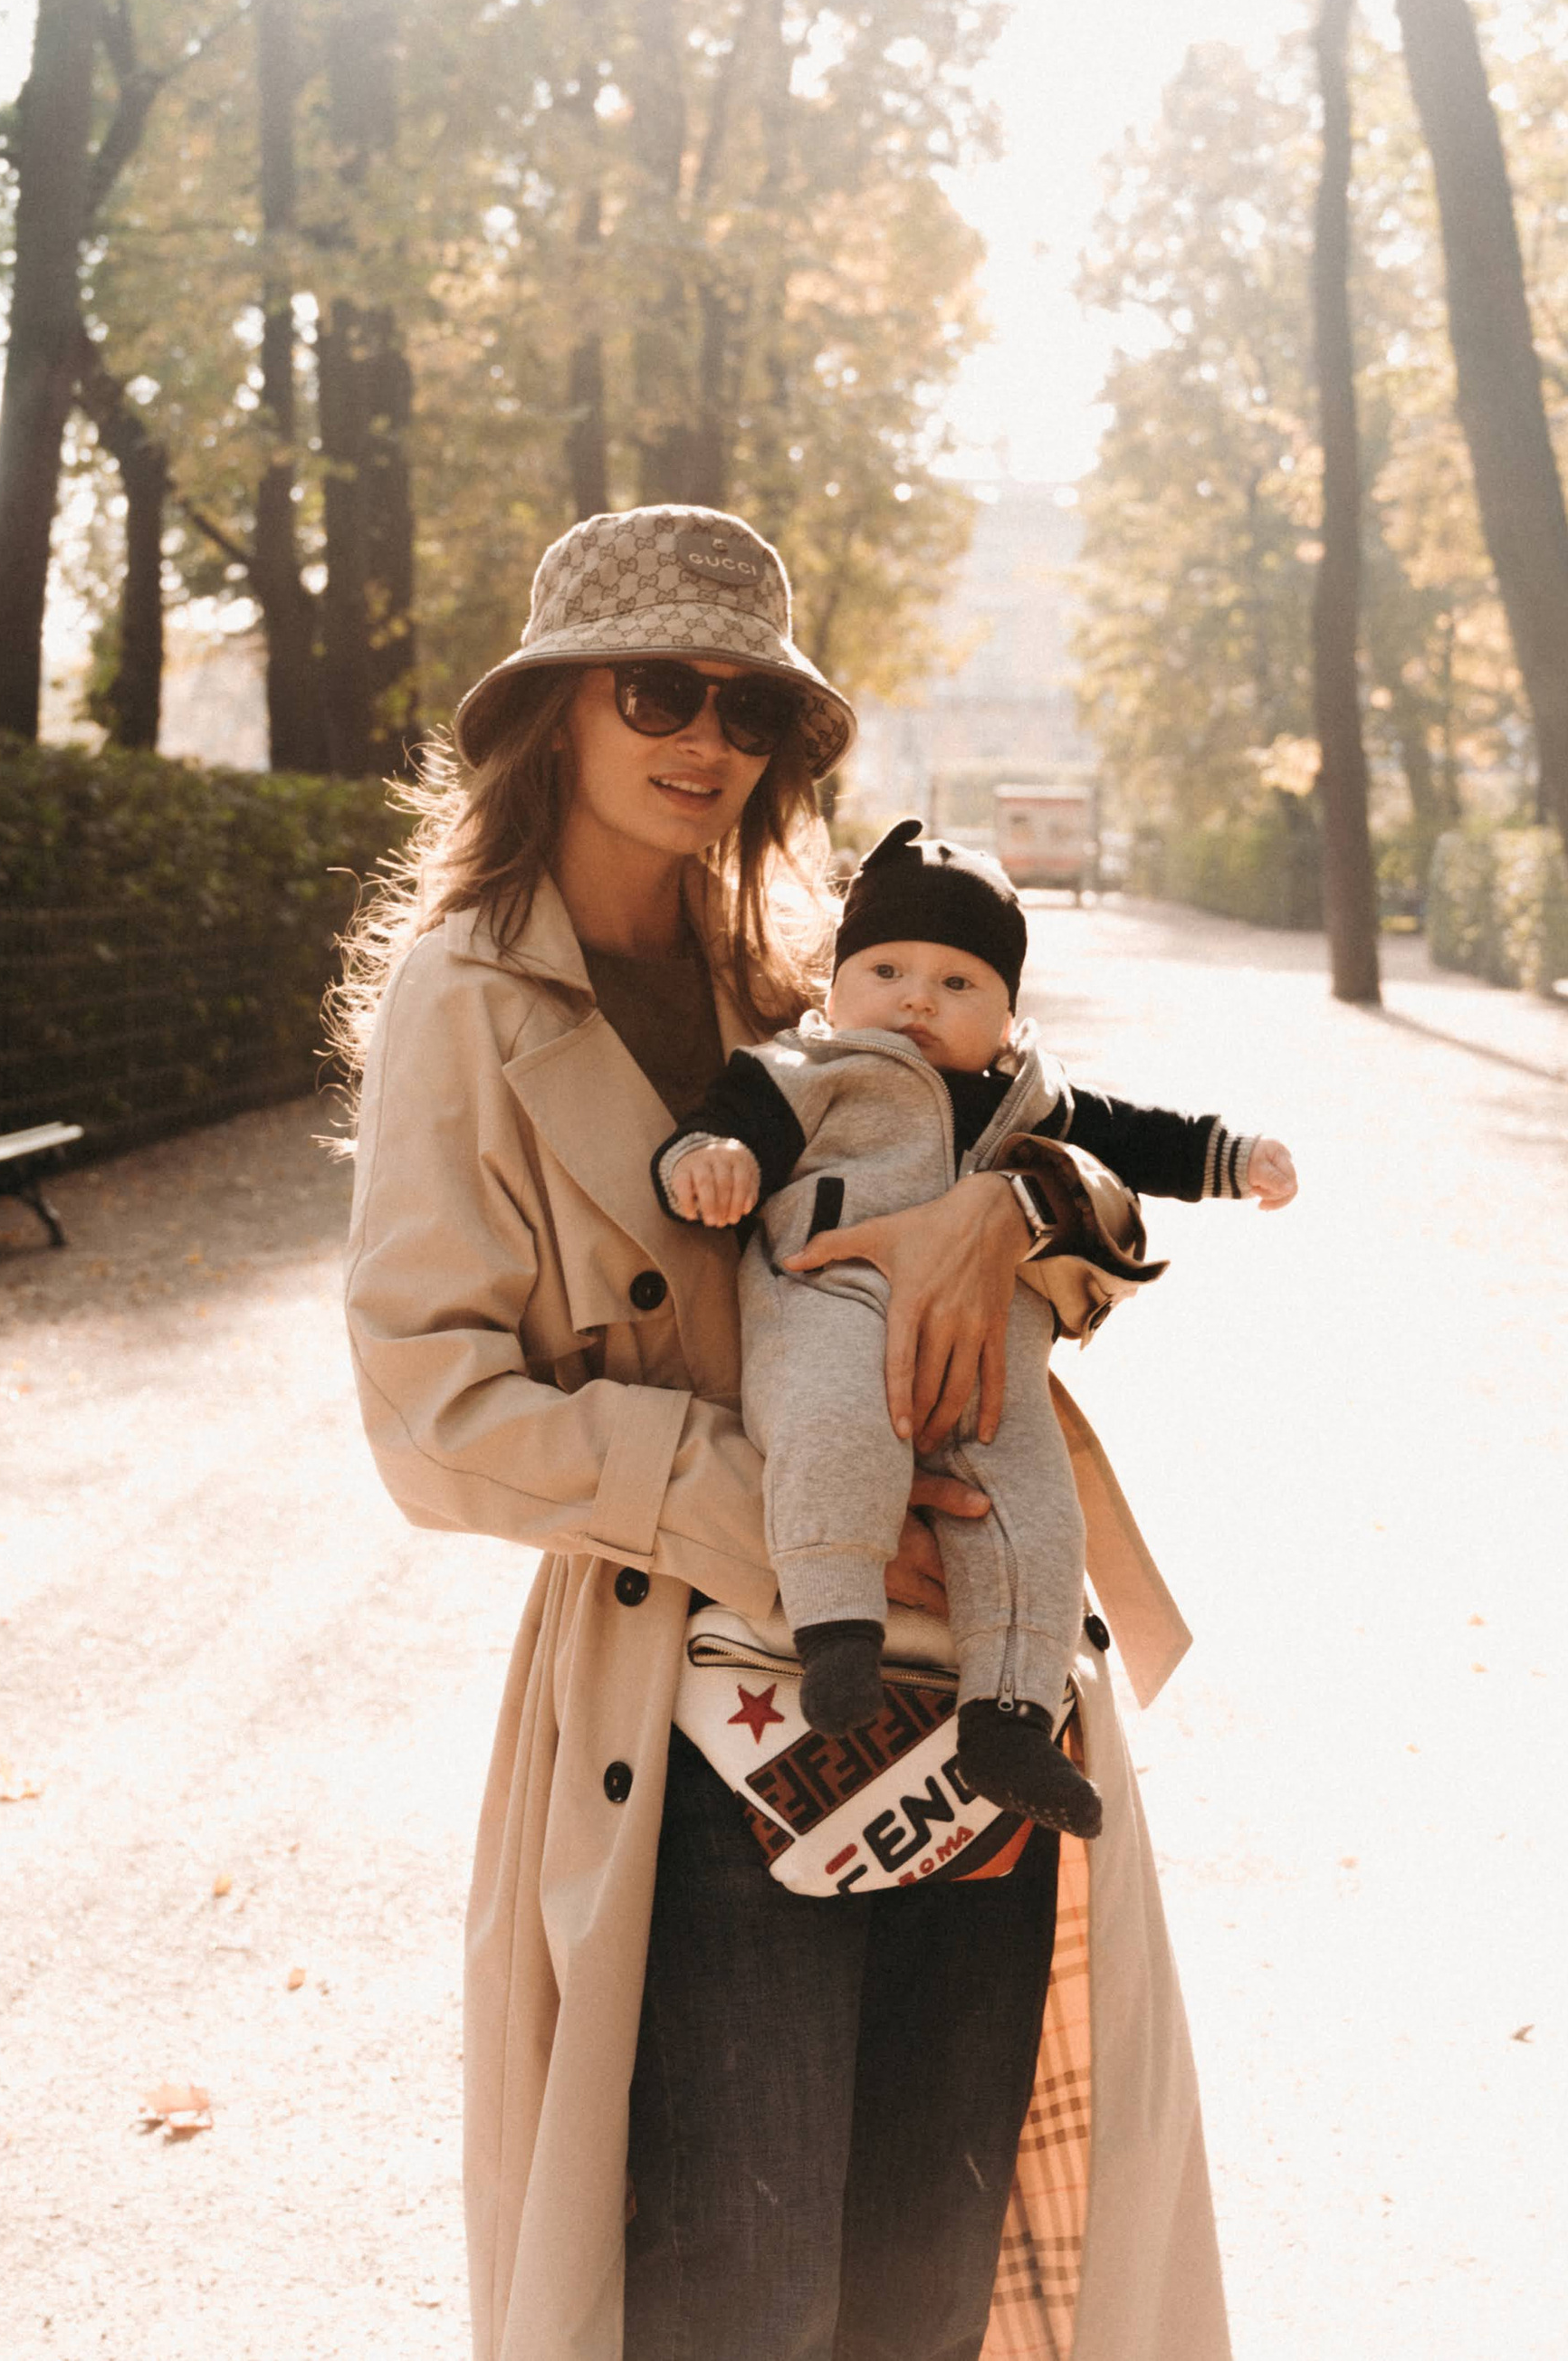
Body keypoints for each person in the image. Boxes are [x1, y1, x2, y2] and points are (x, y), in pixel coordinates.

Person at [338, 504, 1233, 2361]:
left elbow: (1083, 1203)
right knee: (734, 2291)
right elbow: (428, 1409)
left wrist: (1015, 1215)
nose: (701, 738)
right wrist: (765, 1510)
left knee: (932, 2259)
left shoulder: (818, 978)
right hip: (691, 1715)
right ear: (556, 712)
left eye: (746, 708)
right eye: (655, 687)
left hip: (975, 1692)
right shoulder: (464, 999)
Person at [655, 814, 1297, 1832]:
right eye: (886, 970)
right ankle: (835, 1630)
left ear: (1006, 1016)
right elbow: (719, 1127)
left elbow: (1140, 1141)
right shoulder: (805, 1075)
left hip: (992, 1358)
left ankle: (1011, 1714)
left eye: (959, 984)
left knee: (1036, 1509)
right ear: (834, 987)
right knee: (828, 1428)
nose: (917, 997)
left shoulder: (1032, 1101)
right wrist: (709, 1161)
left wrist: (1233, 1156)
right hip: (831, 1312)